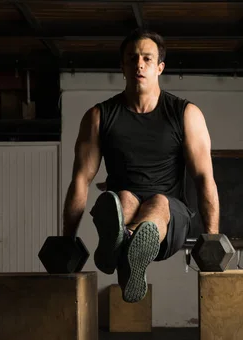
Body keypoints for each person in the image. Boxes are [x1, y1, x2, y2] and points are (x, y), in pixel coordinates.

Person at [62, 29, 219, 303]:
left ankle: (125, 242)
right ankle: (127, 248)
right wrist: (66, 240)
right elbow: (80, 180)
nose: (139, 64)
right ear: (122, 66)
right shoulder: (99, 116)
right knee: (122, 198)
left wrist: (213, 238)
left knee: (158, 202)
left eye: (147, 58)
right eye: (132, 58)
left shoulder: (185, 114)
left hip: (170, 217)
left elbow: (204, 178)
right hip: (121, 205)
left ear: (160, 67)